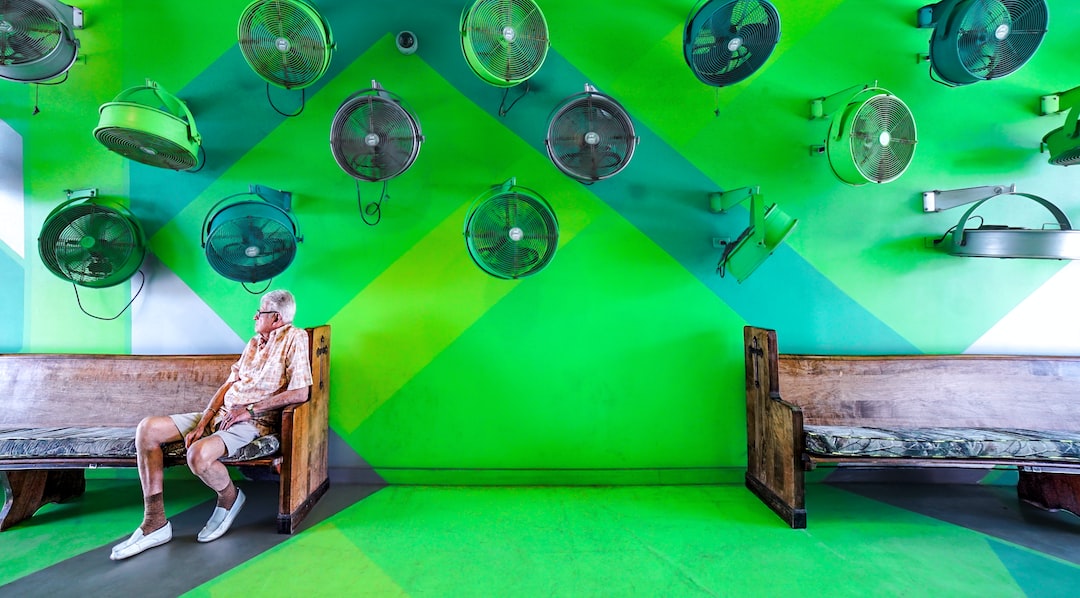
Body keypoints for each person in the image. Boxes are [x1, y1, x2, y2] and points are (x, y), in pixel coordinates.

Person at [111, 289, 313, 561]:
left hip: (253, 421)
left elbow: (301, 393)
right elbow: (229, 384)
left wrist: (249, 410)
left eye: (260, 312)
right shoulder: (254, 342)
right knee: (147, 429)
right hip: (221, 413)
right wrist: (204, 421)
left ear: (276, 318)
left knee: (197, 456)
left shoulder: (295, 338)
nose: (255, 316)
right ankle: (155, 520)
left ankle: (229, 497)